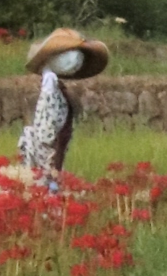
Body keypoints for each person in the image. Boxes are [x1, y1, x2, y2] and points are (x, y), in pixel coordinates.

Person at [18, 27, 108, 184]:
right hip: (49, 156)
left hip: (50, 156)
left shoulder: (54, 87)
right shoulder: (52, 86)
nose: (74, 60)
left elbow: (47, 132)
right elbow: (46, 132)